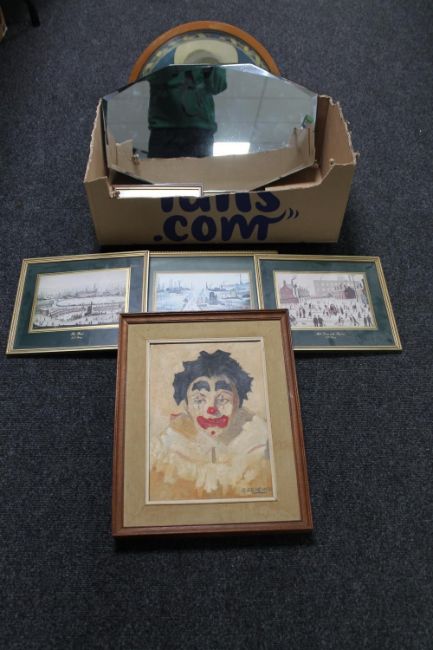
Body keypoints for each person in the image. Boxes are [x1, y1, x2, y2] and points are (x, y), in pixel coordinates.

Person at [150, 349, 272, 500]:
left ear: (238, 402)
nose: (211, 409)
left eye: (222, 399)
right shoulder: (168, 449)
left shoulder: (261, 441)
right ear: (186, 406)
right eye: (199, 399)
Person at [147, 65, 227, 158]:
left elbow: (218, 85)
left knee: (201, 168)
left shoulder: (215, 54)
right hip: (164, 127)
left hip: (199, 127)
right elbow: (151, 74)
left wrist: (207, 66)